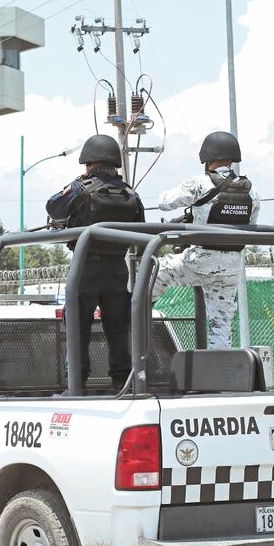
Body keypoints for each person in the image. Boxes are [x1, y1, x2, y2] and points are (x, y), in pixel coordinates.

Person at [46, 134, 145, 391]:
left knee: (78, 329)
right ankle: (122, 381)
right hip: (116, 270)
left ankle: (76, 383)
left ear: (88, 163)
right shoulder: (129, 193)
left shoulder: (81, 188)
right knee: (118, 329)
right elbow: (141, 230)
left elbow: (53, 207)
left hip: (85, 268)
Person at [153, 131, 260, 349]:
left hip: (200, 261)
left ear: (207, 158)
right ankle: (220, 376)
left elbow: (163, 202)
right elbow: (250, 225)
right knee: (221, 326)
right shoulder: (251, 191)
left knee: (156, 270)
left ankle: (137, 317)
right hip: (231, 268)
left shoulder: (200, 184)